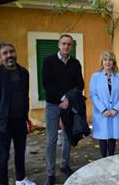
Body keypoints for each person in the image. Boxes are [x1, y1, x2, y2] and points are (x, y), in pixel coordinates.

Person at [0, 42, 36, 185]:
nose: (9, 55)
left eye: (11, 51)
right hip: (3, 123)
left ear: (15, 53)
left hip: (20, 121)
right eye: (5, 53)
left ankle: (21, 179)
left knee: (20, 152)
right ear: (0, 57)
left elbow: (25, 96)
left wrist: (26, 117)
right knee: (4, 155)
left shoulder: (24, 73)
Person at [42, 34, 84, 185]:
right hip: (53, 105)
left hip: (69, 104)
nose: (66, 46)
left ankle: (65, 165)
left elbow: (80, 84)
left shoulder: (75, 63)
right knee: (51, 139)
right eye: (63, 44)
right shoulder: (48, 61)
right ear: (58, 45)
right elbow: (47, 83)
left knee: (67, 136)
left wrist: (69, 100)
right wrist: (61, 99)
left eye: (69, 44)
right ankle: (50, 173)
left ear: (71, 46)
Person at [90, 51, 119, 157]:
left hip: (115, 112)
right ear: (102, 62)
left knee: (112, 137)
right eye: (105, 59)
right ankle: (103, 159)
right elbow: (93, 95)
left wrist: (115, 109)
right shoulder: (95, 76)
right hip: (101, 113)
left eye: (110, 59)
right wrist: (103, 110)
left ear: (113, 62)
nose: (108, 62)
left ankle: (111, 158)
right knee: (102, 137)